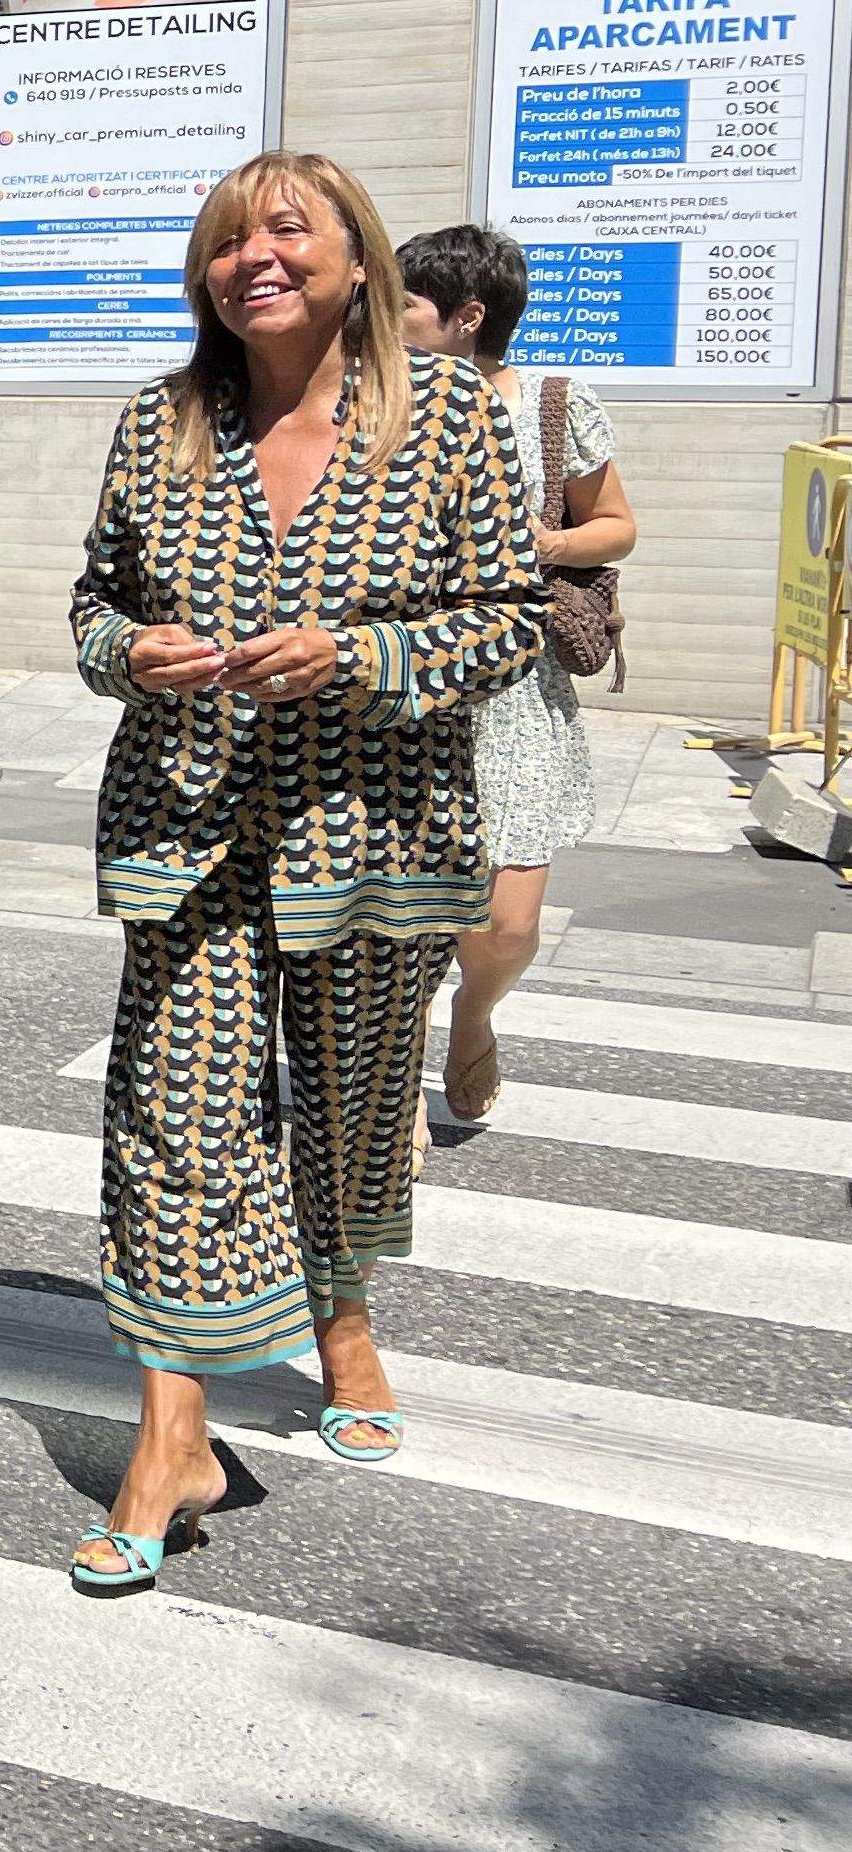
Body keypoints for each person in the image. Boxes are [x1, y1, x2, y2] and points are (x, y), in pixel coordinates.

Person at [65, 154, 541, 1596]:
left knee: (347, 1101)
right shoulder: (162, 422)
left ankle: (341, 1314)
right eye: (226, 241)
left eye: (286, 231)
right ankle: (172, 1443)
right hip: (188, 824)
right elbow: (94, 602)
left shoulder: (449, 414)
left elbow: (508, 616)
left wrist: (366, 652)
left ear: (354, 259)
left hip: (374, 823)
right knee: (175, 1114)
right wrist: (123, 653)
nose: (252, 258)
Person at [396, 223, 636, 1123]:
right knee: (404, 914)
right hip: (406, 686)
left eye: (405, 303)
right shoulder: (377, 400)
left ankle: (475, 1012)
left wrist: (551, 542)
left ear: (466, 318)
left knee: (505, 925)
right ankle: (392, 1088)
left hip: (517, 697)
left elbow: (614, 523)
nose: (385, 317)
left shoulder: (550, 401)